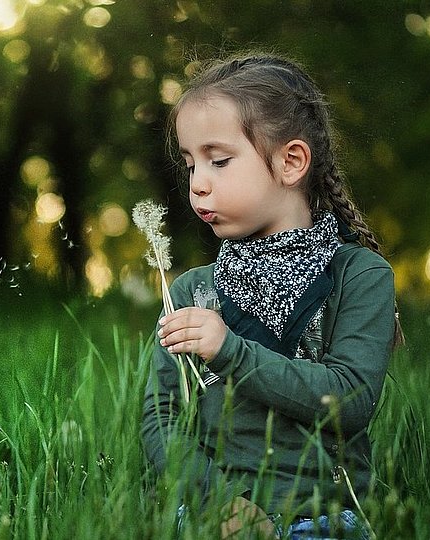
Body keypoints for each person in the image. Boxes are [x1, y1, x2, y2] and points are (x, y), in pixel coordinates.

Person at [141, 52, 401, 539]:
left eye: (218, 161)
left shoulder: (360, 275)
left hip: (326, 519)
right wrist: (217, 503)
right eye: (190, 164)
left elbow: (350, 401)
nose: (197, 184)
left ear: (291, 161)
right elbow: (161, 416)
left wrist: (229, 352)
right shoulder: (192, 290)